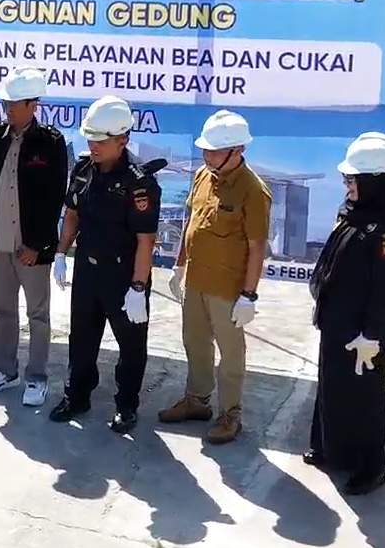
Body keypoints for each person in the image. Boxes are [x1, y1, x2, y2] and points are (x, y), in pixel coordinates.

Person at [306, 132, 385, 496]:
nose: (346, 186)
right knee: (332, 388)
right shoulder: (354, 209)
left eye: (352, 180)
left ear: (374, 181)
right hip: (338, 321)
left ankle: (369, 468)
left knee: (364, 400)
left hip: (364, 331)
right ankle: (329, 449)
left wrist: (371, 334)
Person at [49, 96, 161, 433]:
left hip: (124, 275)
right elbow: (72, 213)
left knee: (130, 345)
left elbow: (146, 240)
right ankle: (77, 395)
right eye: (90, 139)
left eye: (100, 140)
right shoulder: (83, 170)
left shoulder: (139, 183)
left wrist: (138, 288)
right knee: (81, 339)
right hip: (88, 269)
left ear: (122, 139)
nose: (93, 145)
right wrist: (60, 254)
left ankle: (126, 405)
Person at [160, 109, 271, 444]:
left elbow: (257, 246)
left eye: (213, 150)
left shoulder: (253, 191)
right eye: (205, 149)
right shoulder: (202, 176)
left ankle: (230, 414)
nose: (206, 154)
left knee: (230, 353)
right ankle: (197, 400)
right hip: (196, 280)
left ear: (237, 151)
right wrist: (180, 266)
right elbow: (191, 224)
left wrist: (249, 294)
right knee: (195, 342)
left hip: (228, 286)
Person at [0, 66, 69, 408]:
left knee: (38, 314)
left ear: (33, 105)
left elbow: (55, 196)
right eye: (5, 103)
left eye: (14, 103)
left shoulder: (51, 142)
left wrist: (40, 245)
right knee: (2, 308)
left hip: (32, 248)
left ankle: (37, 378)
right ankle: (4, 371)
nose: (8, 109)